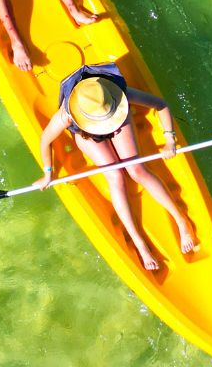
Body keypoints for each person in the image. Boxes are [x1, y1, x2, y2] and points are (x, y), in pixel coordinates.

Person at [33, 63, 199, 270]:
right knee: (115, 176)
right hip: (87, 133)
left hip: (117, 118)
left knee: (137, 170)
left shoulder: (115, 95)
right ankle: (139, 242)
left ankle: (180, 220)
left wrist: (170, 140)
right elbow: (45, 141)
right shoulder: (67, 114)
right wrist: (47, 173)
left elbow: (160, 104)